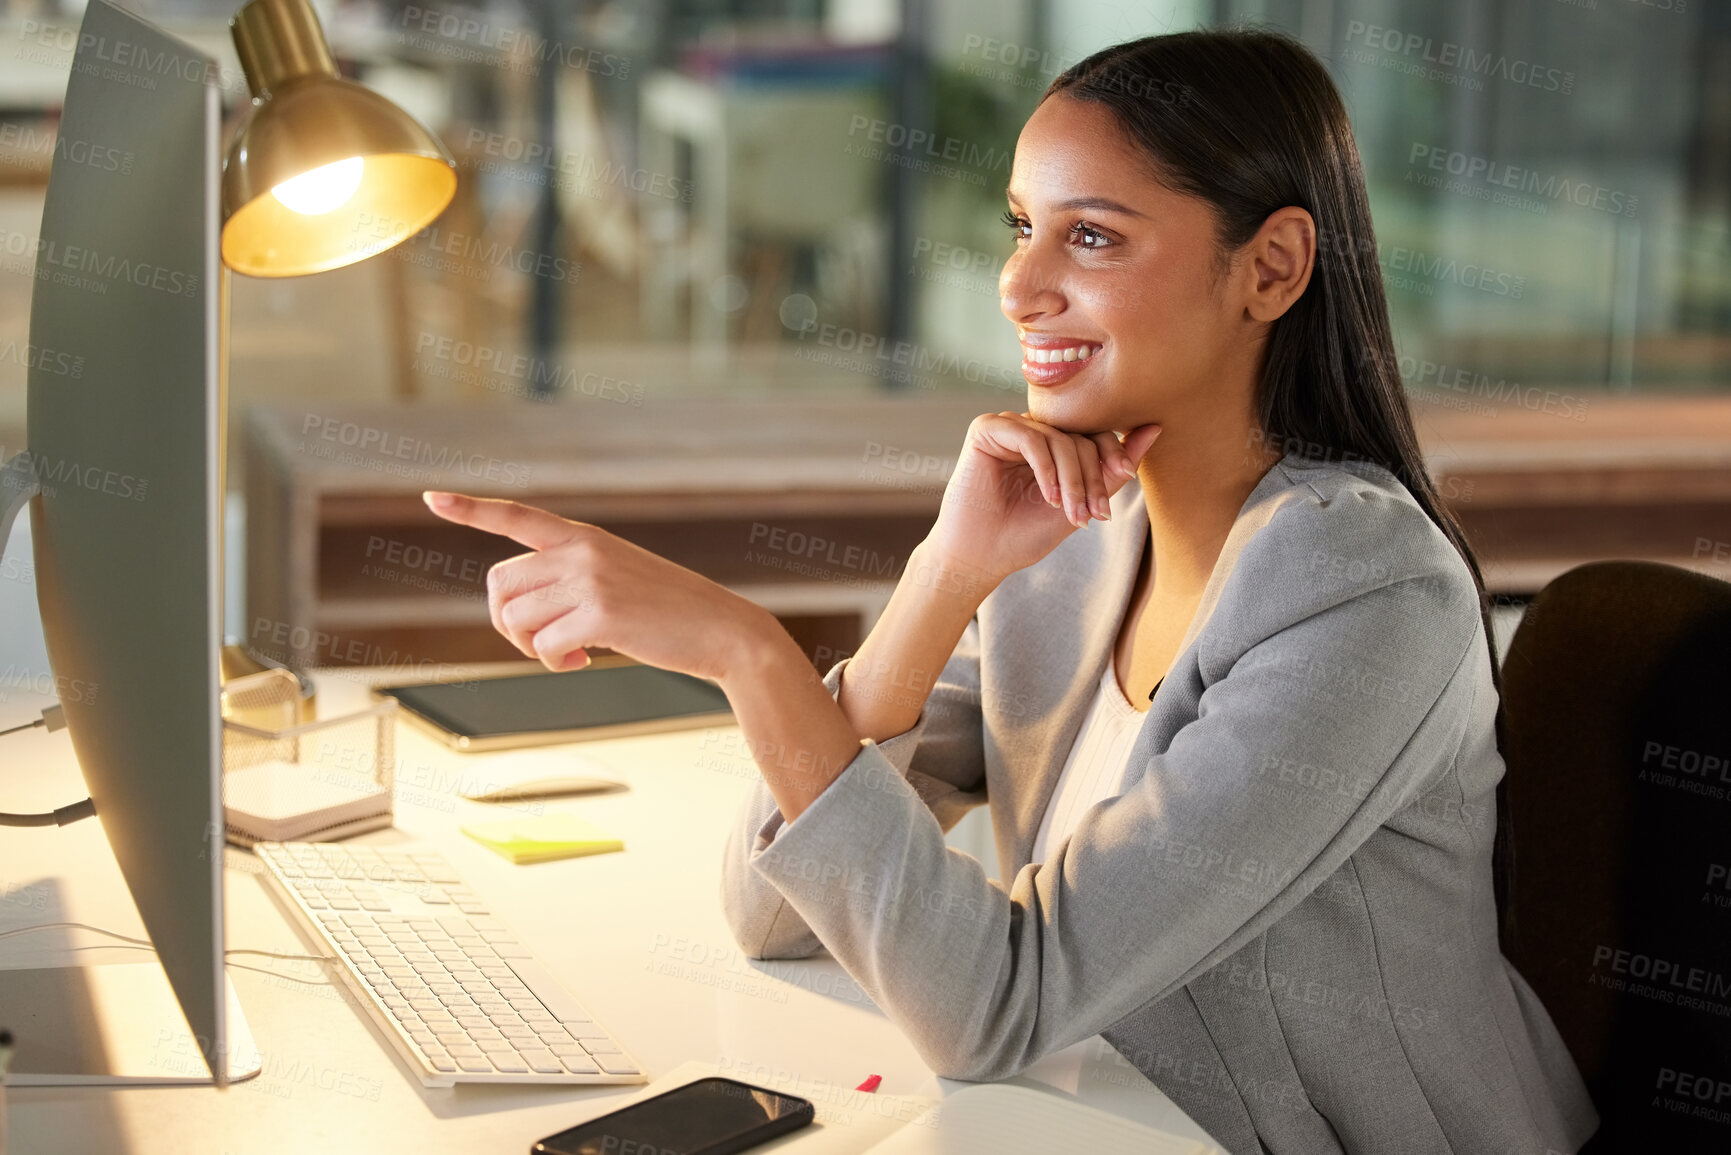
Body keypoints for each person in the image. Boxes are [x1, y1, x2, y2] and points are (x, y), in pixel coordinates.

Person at [424, 27, 1599, 1155]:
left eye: (1091, 239)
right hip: (1120, 1119)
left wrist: (748, 653)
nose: (1019, 285)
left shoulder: (1367, 597)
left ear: (1272, 268)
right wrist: (945, 577)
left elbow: (994, 1008)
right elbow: (777, 914)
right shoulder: (1082, 541)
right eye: (1024, 226)